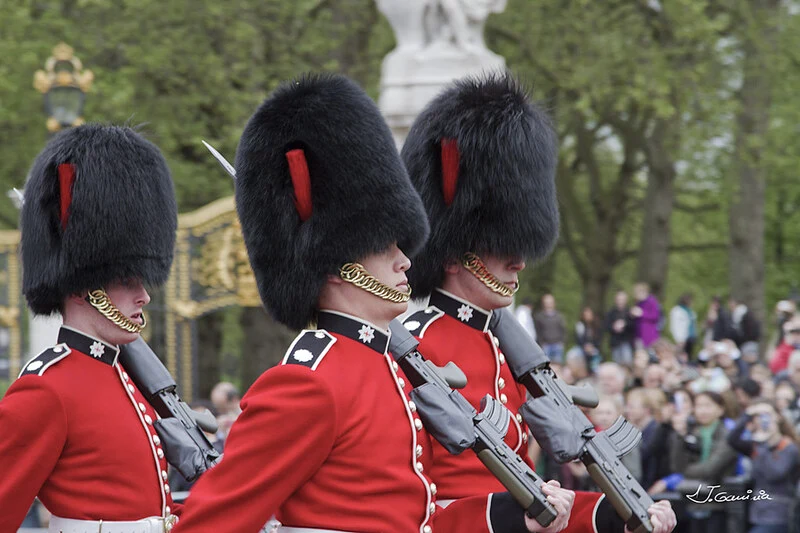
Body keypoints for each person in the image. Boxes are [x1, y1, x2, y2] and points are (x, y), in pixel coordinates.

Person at [171, 74, 569, 533]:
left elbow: (415, 520)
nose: (405, 260)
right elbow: (211, 522)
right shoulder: (310, 384)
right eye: (385, 246)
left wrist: (510, 515)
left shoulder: (393, 368)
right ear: (337, 261)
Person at [401, 73, 675, 533]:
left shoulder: (509, 350)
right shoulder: (416, 344)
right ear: (454, 251)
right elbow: (410, 507)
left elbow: (541, 503)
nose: (518, 262)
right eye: (501, 246)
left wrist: (616, 516)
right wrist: (506, 518)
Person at [0, 125, 180, 531]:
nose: (144, 296)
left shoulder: (129, 376)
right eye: (127, 280)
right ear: (85, 285)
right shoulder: (46, 389)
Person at [727, 400, 800, 533]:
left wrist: (763, 443)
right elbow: (733, 440)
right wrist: (747, 416)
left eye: (767, 415)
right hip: (757, 512)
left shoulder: (789, 447)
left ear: (778, 417)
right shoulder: (757, 445)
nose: (763, 420)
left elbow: (775, 473)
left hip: (780, 514)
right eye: (759, 416)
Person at [604, 290, 636, 366]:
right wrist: (613, 327)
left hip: (626, 341)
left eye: (622, 299)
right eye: (619, 299)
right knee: (617, 364)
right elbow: (606, 326)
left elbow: (634, 326)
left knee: (627, 363)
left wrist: (625, 324)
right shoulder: (611, 312)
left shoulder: (630, 312)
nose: (620, 301)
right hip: (615, 342)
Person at [534, 294, 567, 364]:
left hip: (557, 345)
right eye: (546, 303)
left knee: (558, 365)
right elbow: (538, 331)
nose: (548, 305)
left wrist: (562, 342)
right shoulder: (539, 317)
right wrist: (541, 343)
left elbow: (563, 330)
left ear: (554, 303)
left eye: (550, 303)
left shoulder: (559, 316)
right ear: (543, 304)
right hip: (545, 346)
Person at [631, 282, 662, 349]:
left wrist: (642, 313)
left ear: (643, 292)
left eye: (637, 293)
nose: (636, 295)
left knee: (650, 356)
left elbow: (655, 316)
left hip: (649, 335)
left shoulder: (652, 301)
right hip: (638, 335)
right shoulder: (638, 303)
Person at [573, 306, 601, 372]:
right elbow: (578, 339)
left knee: (595, 355)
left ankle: (594, 372)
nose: (587, 316)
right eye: (586, 315)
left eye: (589, 315)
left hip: (593, 348)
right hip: (582, 348)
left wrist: (592, 347)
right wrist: (585, 346)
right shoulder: (580, 326)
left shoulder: (596, 326)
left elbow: (599, 340)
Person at [669, 293, 698, 358]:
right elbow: (674, 326)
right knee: (680, 356)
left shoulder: (690, 311)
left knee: (688, 356)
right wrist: (679, 339)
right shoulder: (677, 311)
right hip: (681, 339)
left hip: (690, 338)